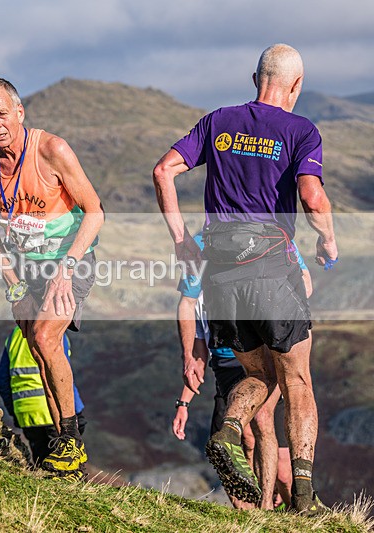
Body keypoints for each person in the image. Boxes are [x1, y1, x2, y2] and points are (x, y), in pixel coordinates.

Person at [153, 44, 337, 515]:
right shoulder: (301, 131)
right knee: (296, 381)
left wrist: (180, 239)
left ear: (254, 77)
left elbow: (164, 170)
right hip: (272, 267)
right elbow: (312, 197)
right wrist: (328, 240)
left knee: (256, 373)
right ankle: (304, 493)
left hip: (221, 275)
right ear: (295, 85)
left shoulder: (218, 121)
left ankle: (229, 427)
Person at [0, 78, 103, 479]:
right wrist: (12, 282)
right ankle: (67, 455)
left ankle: (70, 439)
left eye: (2, 114)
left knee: (46, 337)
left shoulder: (51, 150)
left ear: (20, 113)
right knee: (39, 350)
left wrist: (67, 268)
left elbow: (94, 211)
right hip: (25, 269)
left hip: (68, 261)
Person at [171, 233, 309, 509]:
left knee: (262, 423)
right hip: (226, 351)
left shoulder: (274, 233)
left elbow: (305, 280)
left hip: (266, 345)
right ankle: (251, 508)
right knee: (245, 434)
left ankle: (268, 507)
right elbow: (188, 306)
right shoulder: (202, 243)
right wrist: (189, 361)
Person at [0, 326, 87, 468]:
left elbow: (2, 381)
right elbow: (62, 381)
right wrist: (77, 412)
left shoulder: (14, 335)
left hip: (27, 414)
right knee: (67, 461)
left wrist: (16, 412)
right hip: (55, 413)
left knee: (42, 464)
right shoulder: (54, 332)